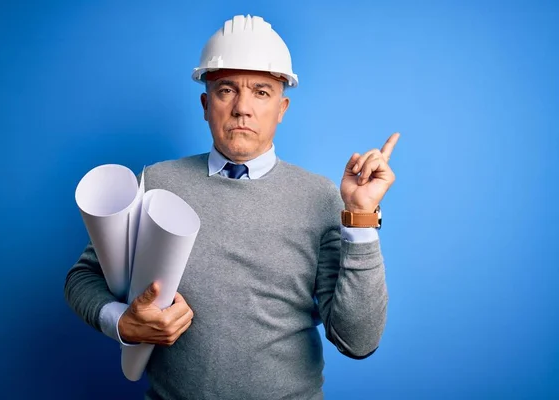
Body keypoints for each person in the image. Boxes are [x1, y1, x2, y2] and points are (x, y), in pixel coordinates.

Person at [65, 14, 399, 400]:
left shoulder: (320, 197)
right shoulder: (157, 182)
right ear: (206, 104)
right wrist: (122, 322)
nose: (243, 108)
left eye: (261, 92)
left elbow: (357, 341)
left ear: (282, 108)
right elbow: (82, 278)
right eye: (226, 90)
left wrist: (360, 219)